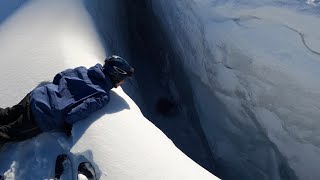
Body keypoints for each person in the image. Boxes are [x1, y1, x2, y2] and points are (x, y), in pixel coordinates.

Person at [0, 55, 134, 145]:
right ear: (115, 75)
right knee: (7, 133)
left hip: (37, 95)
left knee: (8, 114)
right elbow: (75, 114)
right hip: (43, 115)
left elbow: (59, 77)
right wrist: (67, 126)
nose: (123, 82)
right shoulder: (102, 95)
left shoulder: (84, 70)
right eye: (123, 79)